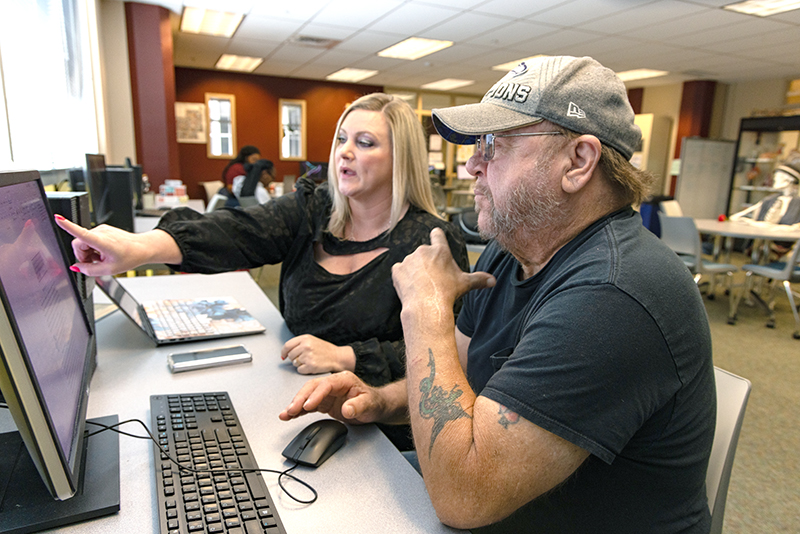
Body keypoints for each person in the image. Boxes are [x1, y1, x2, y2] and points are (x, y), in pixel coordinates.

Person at [279, 56, 716, 533]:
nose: (472, 164)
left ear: (578, 162)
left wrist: (425, 308)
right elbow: (456, 377)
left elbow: (463, 498)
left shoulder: (614, 295)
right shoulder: (510, 252)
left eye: (493, 144)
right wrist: (380, 400)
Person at [56, 93, 468, 391]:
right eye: (341, 139)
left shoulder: (431, 243)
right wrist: (139, 248)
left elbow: (447, 355)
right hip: (295, 386)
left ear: (400, 159)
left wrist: (346, 357)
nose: (343, 152)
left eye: (364, 143)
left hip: (381, 419)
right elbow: (239, 231)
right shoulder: (314, 208)